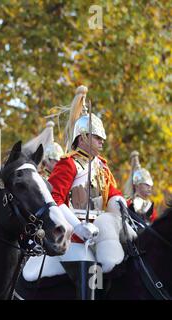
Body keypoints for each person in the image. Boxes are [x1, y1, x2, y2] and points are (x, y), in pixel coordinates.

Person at [22, 86, 135, 299]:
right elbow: (54, 199)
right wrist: (77, 227)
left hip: (102, 232)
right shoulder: (68, 164)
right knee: (89, 269)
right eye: (97, 137)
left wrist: (120, 208)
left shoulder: (102, 166)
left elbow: (113, 194)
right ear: (82, 138)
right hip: (72, 235)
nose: (102, 141)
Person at [124, 151, 157, 224]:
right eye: (146, 184)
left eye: (150, 185)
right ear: (137, 185)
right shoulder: (128, 202)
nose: (149, 188)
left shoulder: (150, 207)